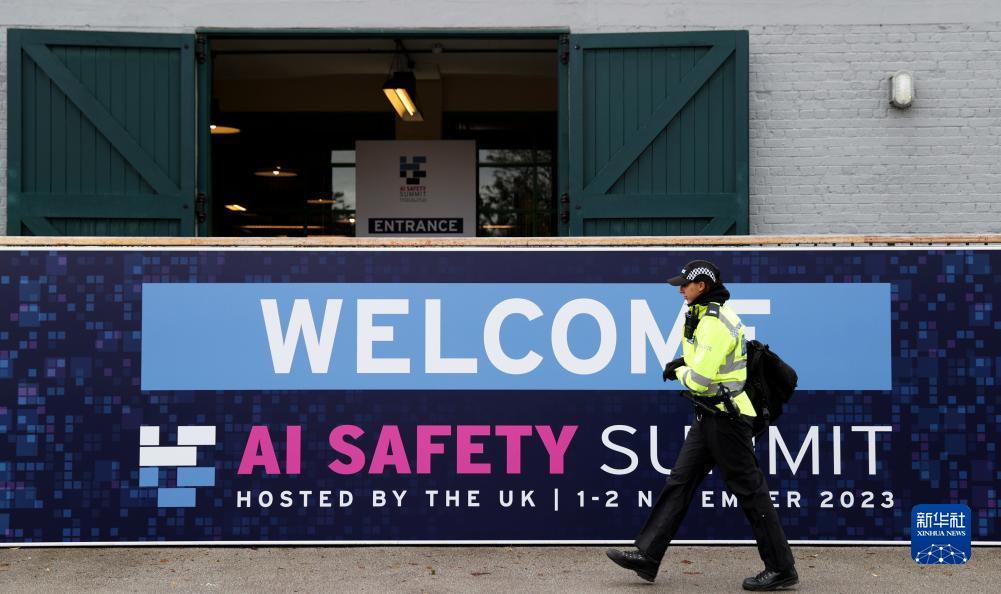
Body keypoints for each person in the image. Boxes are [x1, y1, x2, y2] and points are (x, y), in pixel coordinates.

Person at [606, 260, 798, 591]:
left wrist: (678, 371)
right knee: (679, 482)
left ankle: (781, 568)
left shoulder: (714, 323)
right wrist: (685, 362)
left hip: (726, 418)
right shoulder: (704, 315)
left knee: (751, 492)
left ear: (702, 286)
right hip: (711, 414)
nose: (680, 289)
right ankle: (647, 556)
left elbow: (699, 380)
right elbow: (706, 364)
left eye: (685, 284)